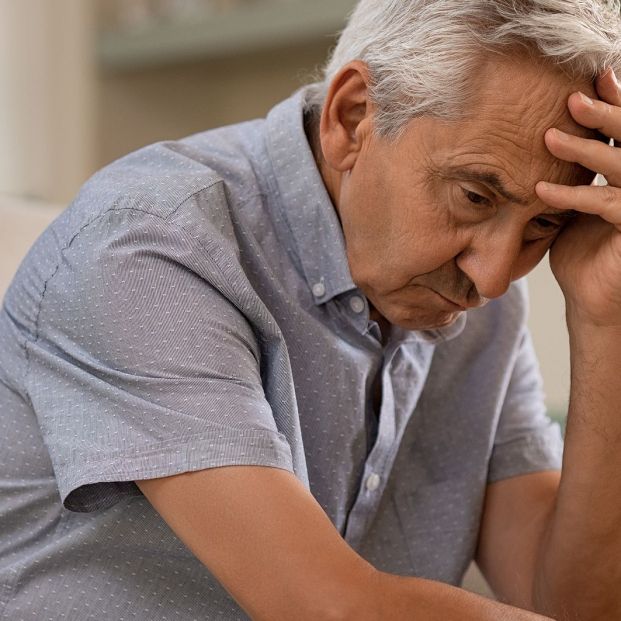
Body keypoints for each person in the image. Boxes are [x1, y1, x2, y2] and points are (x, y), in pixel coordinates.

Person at [1, 0, 621, 619]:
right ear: (352, 119)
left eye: (543, 224)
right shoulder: (151, 245)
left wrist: (605, 319)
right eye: (474, 196)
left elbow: (571, 602)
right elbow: (328, 610)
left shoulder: (477, 300)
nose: (491, 278)